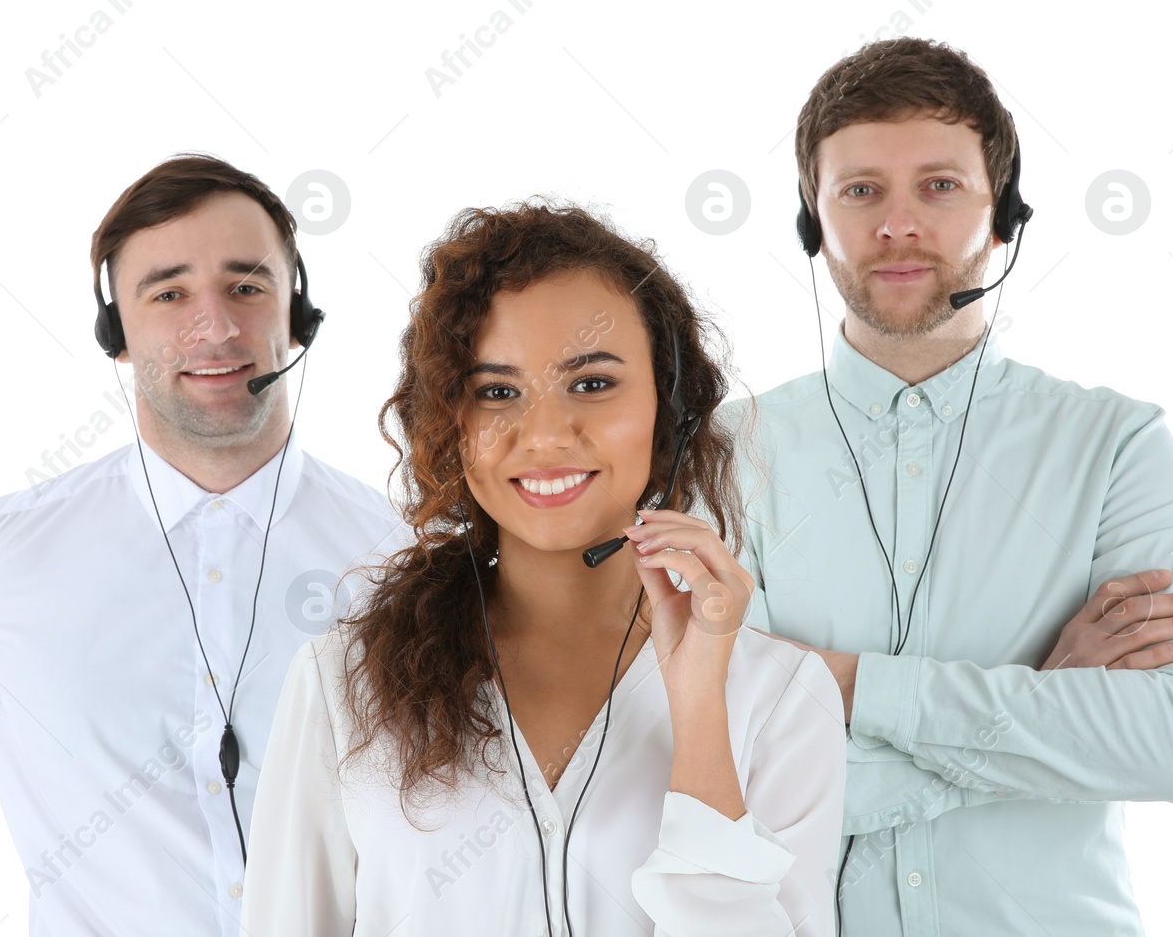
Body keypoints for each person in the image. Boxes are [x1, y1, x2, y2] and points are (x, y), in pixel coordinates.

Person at [0, 154, 409, 935]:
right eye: (169, 293)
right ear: (116, 334)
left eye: (247, 286)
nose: (214, 325)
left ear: (297, 314)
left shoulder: (407, 560)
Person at [727, 37, 1173, 934]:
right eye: (861, 190)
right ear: (813, 222)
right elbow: (727, 782)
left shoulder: (1116, 445)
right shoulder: (728, 452)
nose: (899, 224)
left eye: (940, 185)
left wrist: (845, 687)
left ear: (1006, 216)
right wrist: (1044, 700)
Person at [239, 201, 847, 935]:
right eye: (497, 392)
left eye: (592, 383)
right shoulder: (344, 685)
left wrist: (698, 710)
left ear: (671, 406)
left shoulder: (779, 697)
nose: (548, 435)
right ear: (450, 423)